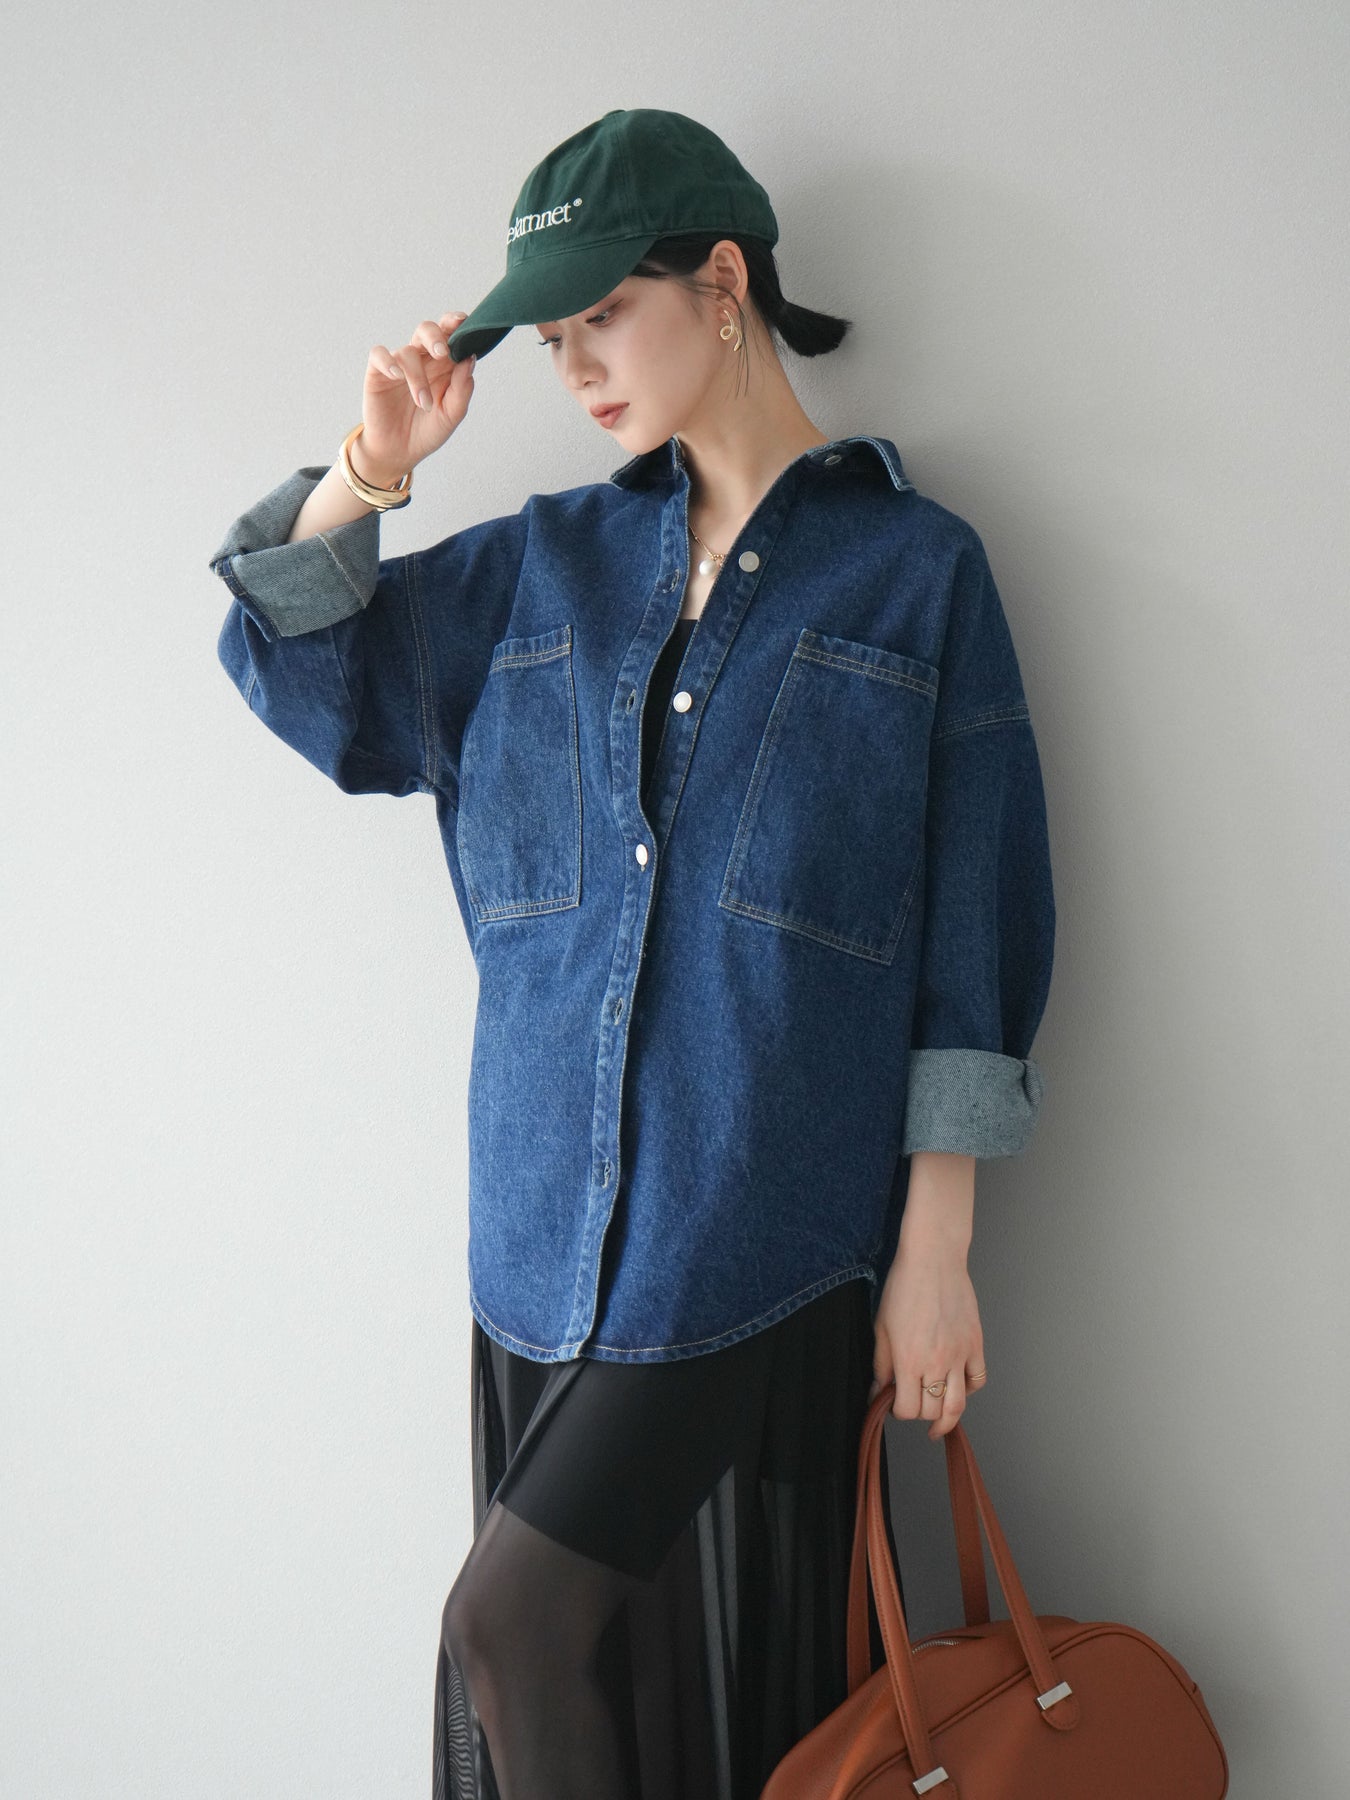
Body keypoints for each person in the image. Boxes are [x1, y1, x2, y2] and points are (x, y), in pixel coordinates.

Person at [207, 107, 1055, 1800]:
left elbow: (977, 921)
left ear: (721, 283)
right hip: (541, 1231)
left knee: (516, 1624)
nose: (578, 365)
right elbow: (308, 681)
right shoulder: (540, 572)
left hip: (760, 1230)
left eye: (606, 313)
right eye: (552, 337)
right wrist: (371, 468)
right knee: (582, 1680)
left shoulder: (912, 574)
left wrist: (937, 1244)